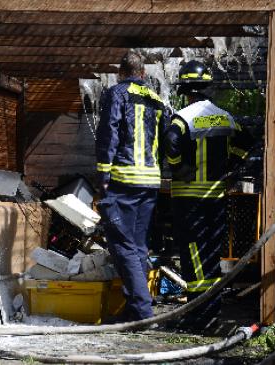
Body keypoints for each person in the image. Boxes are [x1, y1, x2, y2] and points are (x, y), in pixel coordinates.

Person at [164, 60, 250, 331]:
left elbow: (170, 144)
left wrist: (180, 169)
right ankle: (211, 312)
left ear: (185, 89)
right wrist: (233, 166)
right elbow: (246, 139)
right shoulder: (225, 117)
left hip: (189, 198)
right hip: (216, 197)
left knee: (192, 255)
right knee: (212, 254)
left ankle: (198, 316)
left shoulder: (182, 118)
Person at [96, 50, 166, 321]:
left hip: (125, 179)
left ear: (120, 73)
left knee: (122, 244)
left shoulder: (117, 93)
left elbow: (109, 132)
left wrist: (102, 175)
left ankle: (141, 308)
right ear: (144, 74)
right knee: (137, 244)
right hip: (151, 181)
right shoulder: (157, 99)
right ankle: (137, 307)